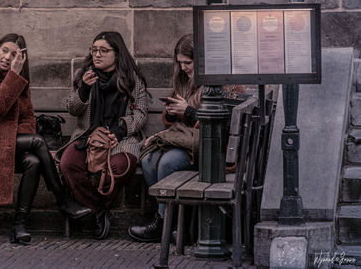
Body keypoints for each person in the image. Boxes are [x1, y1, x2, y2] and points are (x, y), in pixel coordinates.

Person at [0, 33, 91, 244]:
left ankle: (19, 225)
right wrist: (14, 74)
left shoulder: (19, 83)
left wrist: (14, 78)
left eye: (14, 55)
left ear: (20, 59)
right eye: (5, 51)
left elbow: (28, 119)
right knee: (37, 142)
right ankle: (63, 200)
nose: (7, 57)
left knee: (33, 161)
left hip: (8, 145)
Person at [128, 34, 244, 242]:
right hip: (189, 142)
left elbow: (222, 125)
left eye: (188, 63)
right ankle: (171, 223)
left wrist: (189, 112)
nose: (183, 68)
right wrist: (173, 113)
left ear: (202, 60)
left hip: (216, 150)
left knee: (167, 163)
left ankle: (167, 224)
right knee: (148, 160)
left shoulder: (225, 82)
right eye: (180, 63)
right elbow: (178, 125)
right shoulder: (184, 79)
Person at [56, 31, 149, 240]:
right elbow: (72, 108)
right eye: (94, 50)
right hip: (88, 136)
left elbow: (141, 114)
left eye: (103, 51)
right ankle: (97, 210)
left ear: (117, 54)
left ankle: (98, 206)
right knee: (68, 164)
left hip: (120, 138)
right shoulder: (85, 75)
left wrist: (121, 129)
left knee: (121, 167)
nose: (97, 55)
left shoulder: (132, 79)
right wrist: (83, 91)